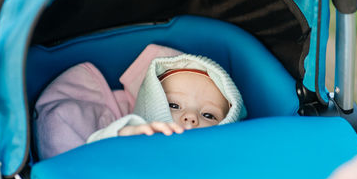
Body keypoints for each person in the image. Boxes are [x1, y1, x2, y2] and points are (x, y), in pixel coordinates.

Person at [34, 44, 246, 159]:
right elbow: (84, 165)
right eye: (173, 105)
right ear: (148, 104)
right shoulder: (129, 137)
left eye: (209, 115)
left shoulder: (222, 158)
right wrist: (120, 139)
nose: (190, 117)